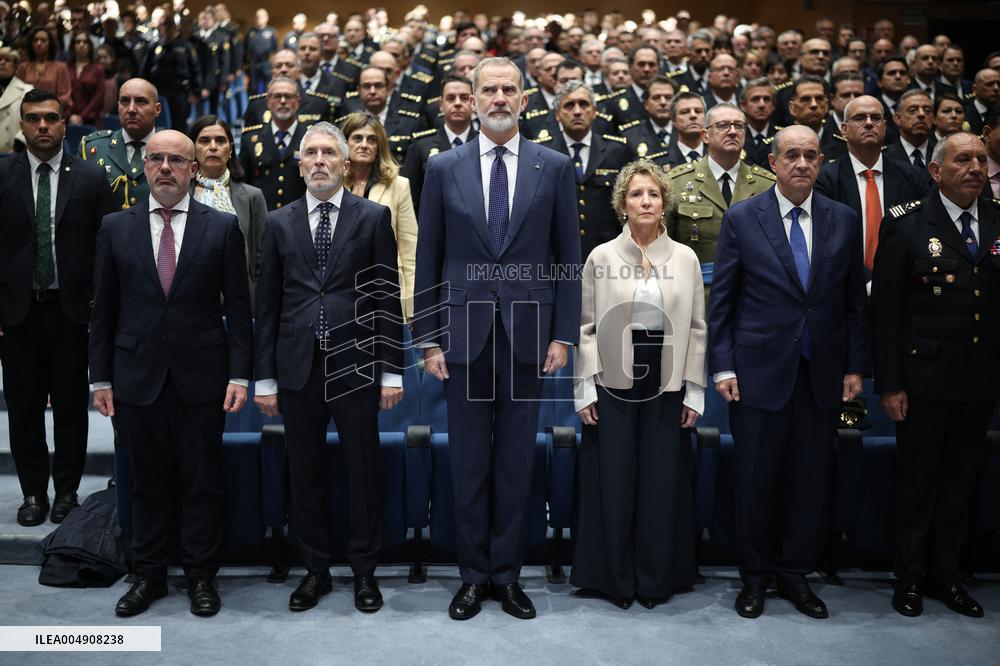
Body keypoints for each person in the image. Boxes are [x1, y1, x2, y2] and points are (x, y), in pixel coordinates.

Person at [413, 57, 581, 621]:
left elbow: (568, 260)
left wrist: (563, 334)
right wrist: (429, 339)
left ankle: (507, 576)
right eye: (490, 89)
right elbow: (429, 258)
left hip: (531, 336)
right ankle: (472, 575)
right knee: (466, 462)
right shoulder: (442, 167)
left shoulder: (553, 166)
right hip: (462, 337)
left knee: (515, 462)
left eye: (510, 89)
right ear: (474, 99)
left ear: (525, 101)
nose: (500, 98)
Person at [90, 129, 253, 617]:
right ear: (145, 167)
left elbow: (240, 311)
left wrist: (240, 375)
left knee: (203, 480)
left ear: (193, 169)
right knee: (147, 481)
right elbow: (104, 311)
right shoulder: (115, 228)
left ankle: (201, 577)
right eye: (156, 159)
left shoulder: (221, 227)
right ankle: (149, 574)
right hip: (136, 375)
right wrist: (100, 378)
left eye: (176, 161)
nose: (165, 167)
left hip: (202, 376)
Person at [708, 125, 869, 619]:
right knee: (755, 480)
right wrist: (724, 365)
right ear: (773, 164)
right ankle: (755, 578)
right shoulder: (742, 217)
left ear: (821, 162)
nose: (802, 163)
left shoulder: (843, 219)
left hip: (821, 372)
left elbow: (852, 304)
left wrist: (855, 368)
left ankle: (796, 575)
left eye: (811, 155)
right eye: (792, 155)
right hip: (758, 371)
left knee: (809, 479)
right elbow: (724, 302)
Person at [254, 122, 405, 614]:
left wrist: (391, 370)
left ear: (345, 164)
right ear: (300, 165)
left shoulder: (373, 216)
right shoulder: (278, 222)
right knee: (306, 472)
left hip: (357, 364)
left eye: (328, 153)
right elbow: (268, 305)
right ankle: (315, 570)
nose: (319, 160)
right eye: (310, 154)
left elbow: (386, 297)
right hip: (297, 365)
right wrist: (266, 377)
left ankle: (365, 572)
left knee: (363, 470)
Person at [871, 132, 998, 619]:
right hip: (923, 379)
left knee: (961, 483)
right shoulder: (905, 224)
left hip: (978, 378)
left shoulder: (996, 219)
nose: (974, 168)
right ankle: (909, 578)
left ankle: (947, 577)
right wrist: (891, 383)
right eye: (962, 159)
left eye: (981, 160)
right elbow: (885, 312)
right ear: (935, 170)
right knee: (917, 483)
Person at [571, 158, 706, 609]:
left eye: (652, 194)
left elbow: (698, 327)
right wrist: (585, 387)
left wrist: (695, 389)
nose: (645, 201)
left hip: (667, 379)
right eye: (635, 194)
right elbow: (586, 326)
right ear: (622, 205)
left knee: (660, 481)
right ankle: (613, 578)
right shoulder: (601, 256)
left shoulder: (686, 258)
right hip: (612, 379)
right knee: (614, 478)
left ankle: (655, 578)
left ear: (664, 202)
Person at [0, 88, 116, 526]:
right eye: (33, 118)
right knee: (24, 407)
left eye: (51, 118)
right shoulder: (3, 175)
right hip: (18, 311)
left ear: (65, 124)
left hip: (73, 314)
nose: (43, 126)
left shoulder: (89, 178)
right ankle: (33, 494)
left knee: (70, 408)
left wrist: (98, 312)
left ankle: (66, 491)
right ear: (21, 125)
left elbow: (107, 251)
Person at [814, 95, 929, 280]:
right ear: (844, 129)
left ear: (884, 126)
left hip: (903, 283)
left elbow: (922, 235)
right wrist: (866, 281)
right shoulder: (825, 179)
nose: (869, 123)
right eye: (860, 118)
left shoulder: (914, 177)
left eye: (875, 118)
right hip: (844, 284)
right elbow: (826, 241)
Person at [666, 102, 776, 293]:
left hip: (753, 293)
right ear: (705, 135)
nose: (733, 131)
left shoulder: (766, 185)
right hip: (696, 291)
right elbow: (662, 247)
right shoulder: (676, 183)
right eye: (723, 125)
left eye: (739, 126)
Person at [531, 80, 631, 260]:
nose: (577, 111)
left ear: (594, 111)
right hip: (556, 254)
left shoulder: (617, 150)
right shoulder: (541, 153)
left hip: (608, 252)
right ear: (557, 115)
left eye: (584, 104)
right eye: (569, 105)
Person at [340, 112, 418, 321]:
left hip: (386, 289)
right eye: (357, 138)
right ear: (344, 143)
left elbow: (410, 250)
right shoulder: (332, 185)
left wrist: (411, 309)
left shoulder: (399, 185)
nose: (364, 144)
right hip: (341, 290)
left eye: (371, 139)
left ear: (379, 146)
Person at [188, 115, 268, 291]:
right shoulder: (182, 195)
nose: (213, 147)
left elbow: (261, 258)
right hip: (190, 296)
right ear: (193, 149)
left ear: (230, 149)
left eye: (220, 141)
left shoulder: (252, 197)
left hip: (241, 297)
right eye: (204, 141)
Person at [81, 77, 161, 210]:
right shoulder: (92, 148)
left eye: (141, 101)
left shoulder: (173, 149)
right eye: (125, 101)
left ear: (157, 109)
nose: (131, 109)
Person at [401, 74, 476, 213]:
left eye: (464, 98)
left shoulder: (485, 142)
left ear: (474, 103)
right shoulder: (421, 146)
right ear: (441, 105)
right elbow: (410, 197)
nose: (458, 103)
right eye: (451, 98)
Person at [239, 76, 307, 210]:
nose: (283, 101)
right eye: (277, 96)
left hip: (300, 220)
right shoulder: (251, 139)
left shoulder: (311, 138)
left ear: (298, 102)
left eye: (288, 96)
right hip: (262, 219)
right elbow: (242, 185)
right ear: (268, 102)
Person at [15, 26, 71, 114]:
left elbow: (65, 95)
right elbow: (16, 93)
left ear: (50, 43)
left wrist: (48, 107)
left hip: (52, 113)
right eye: (35, 40)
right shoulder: (23, 67)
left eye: (43, 40)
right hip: (27, 113)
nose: (39, 43)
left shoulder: (60, 67)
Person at [66, 29, 105, 127]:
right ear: (73, 45)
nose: (81, 44)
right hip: (67, 119)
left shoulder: (98, 69)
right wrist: (70, 115)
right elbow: (63, 93)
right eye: (78, 42)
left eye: (85, 42)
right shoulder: (65, 67)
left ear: (90, 46)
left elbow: (98, 96)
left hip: (90, 120)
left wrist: (82, 116)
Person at [0, 46, 33, 152]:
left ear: (15, 66)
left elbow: (31, 121)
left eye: (7, 59)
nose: (2, 62)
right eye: (0, 59)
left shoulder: (26, 90)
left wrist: (17, 147)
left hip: (12, 153)